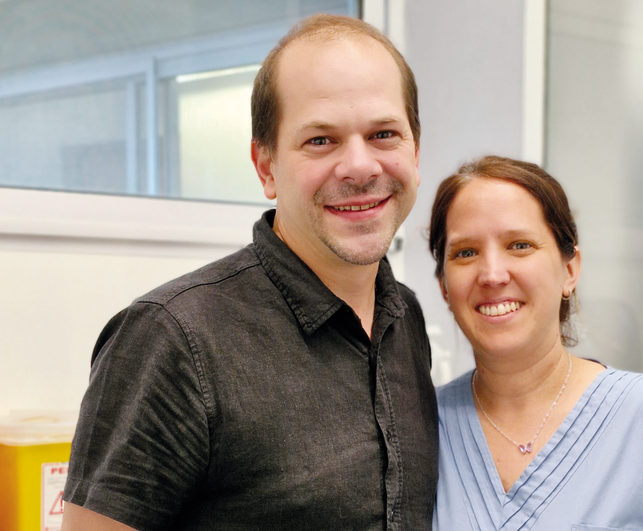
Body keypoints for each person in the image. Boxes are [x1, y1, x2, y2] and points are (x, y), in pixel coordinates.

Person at [61, 14, 438, 531]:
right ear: (266, 167)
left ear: (415, 152)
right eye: (321, 140)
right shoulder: (171, 338)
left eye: (383, 134)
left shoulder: (407, 318)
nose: (360, 166)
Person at [428, 156, 643, 530]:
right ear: (445, 286)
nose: (492, 274)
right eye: (466, 252)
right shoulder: (420, 428)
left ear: (570, 270)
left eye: (520, 245)